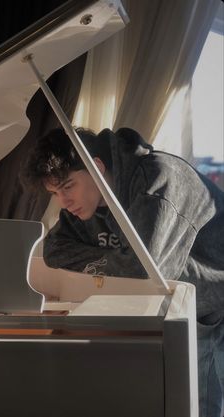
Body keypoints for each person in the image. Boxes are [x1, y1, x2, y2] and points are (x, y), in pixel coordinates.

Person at [22, 126, 224, 417]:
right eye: (54, 193)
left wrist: (115, 263)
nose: (63, 202)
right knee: (196, 408)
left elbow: (144, 271)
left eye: (67, 187)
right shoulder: (84, 204)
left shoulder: (159, 179)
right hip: (196, 311)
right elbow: (54, 251)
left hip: (216, 298)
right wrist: (117, 259)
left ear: (97, 166)